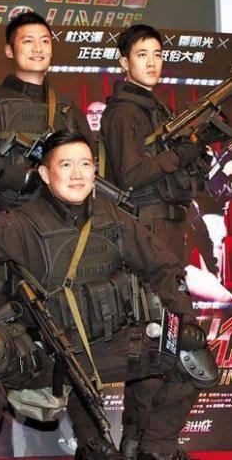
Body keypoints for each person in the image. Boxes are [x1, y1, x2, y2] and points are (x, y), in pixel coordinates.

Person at [0, 129, 217, 460]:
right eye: (66, 165)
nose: (78, 174)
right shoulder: (22, 222)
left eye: (85, 164)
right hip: (46, 353)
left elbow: (164, 269)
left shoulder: (114, 217)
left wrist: (184, 322)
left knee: (191, 357)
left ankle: (156, 451)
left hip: (108, 345)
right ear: (45, 174)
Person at [0, 11, 93, 458]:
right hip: (2, 240)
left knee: (74, 347)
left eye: (45, 40)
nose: (37, 48)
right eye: (27, 41)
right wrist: (17, 176)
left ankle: (93, 446)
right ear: (10, 50)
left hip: (59, 244)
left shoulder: (66, 109)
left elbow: (89, 174)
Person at [99, 25, 205, 459]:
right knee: (155, 337)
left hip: (166, 231)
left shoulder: (155, 108)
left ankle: (144, 442)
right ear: (124, 62)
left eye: (157, 54)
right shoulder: (124, 112)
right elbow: (131, 175)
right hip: (146, 233)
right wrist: (180, 154)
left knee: (164, 338)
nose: (152, 62)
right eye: (142, 54)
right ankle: (143, 442)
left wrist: (192, 157)